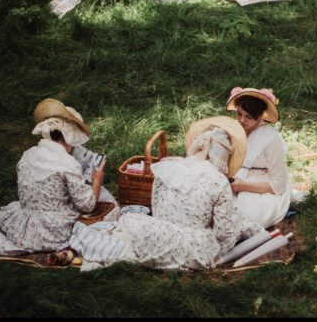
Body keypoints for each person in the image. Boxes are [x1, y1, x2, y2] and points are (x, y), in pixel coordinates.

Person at [103, 116, 259, 270]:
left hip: (157, 236)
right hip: (194, 250)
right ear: (223, 158)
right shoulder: (218, 181)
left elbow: (157, 210)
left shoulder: (166, 167)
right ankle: (257, 232)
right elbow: (223, 234)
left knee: (129, 221)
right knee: (235, 226)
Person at [0, 99, 106, 255]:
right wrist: (96, 181)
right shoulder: (69, 164)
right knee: (103, 215)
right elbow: (87, 206)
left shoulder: (27, 156)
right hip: (53, 234)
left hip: (22, 230)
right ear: (69, 137)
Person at [225, 86, 292, 231]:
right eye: (239, 114)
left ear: (260, 116)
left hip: (260, 183)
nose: (242, 120)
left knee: (245, 217)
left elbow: (279, 185)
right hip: (233, 177)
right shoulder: (233, 130)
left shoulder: (271, 139)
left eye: (248, 117)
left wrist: (243, 186)